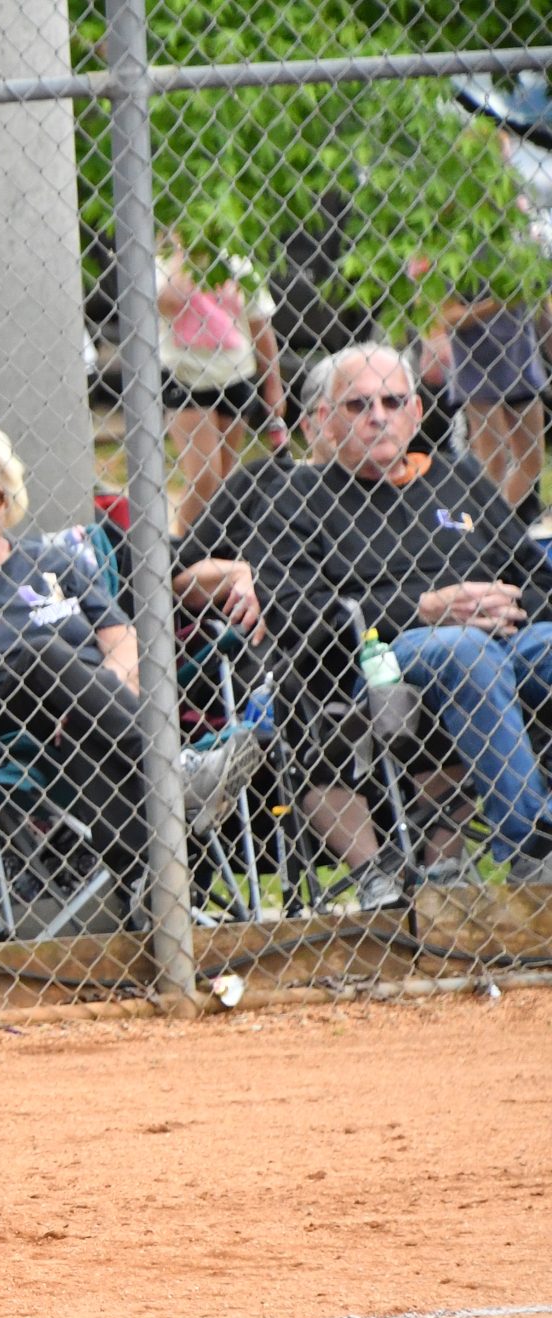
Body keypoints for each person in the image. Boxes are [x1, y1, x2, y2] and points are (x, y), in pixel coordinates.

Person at [179, 343, 552, 886]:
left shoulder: (461, 478)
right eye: (358, 405)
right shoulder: (297, 496)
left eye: (393, 401)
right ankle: (534, 845)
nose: (379, 416)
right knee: (465, 650)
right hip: (378, 660)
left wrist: (504, 603)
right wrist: (425, 609)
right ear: (324, 419)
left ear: (417, 412)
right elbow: (296, 609)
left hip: (501, 639)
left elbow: (537, 578)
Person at [0, 420, 259, 903]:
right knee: (42, 653)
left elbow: (123, 642)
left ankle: (149, 882)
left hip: (82, 721)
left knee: (83, 728)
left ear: (8, 501)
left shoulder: (53, 562)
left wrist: (93, 693)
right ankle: (175, 770)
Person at [158, 240, 285, 535]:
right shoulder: (163, 265)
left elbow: (260, 328)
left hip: (234, 375)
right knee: (204, 475)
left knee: (223, 481)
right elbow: (169, 301)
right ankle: (183, 547)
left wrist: (273, 385)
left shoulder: (237, 263)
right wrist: (182, 254)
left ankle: (211, 543)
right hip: (185, 377)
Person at [434, 296, 546, 523]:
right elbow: (447, 316)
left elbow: (542, 302)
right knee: (493, 460)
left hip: (521, 362)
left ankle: (497, 523)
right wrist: (494, 304)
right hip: (477, 369)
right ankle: (489, 526)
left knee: (532, 458)